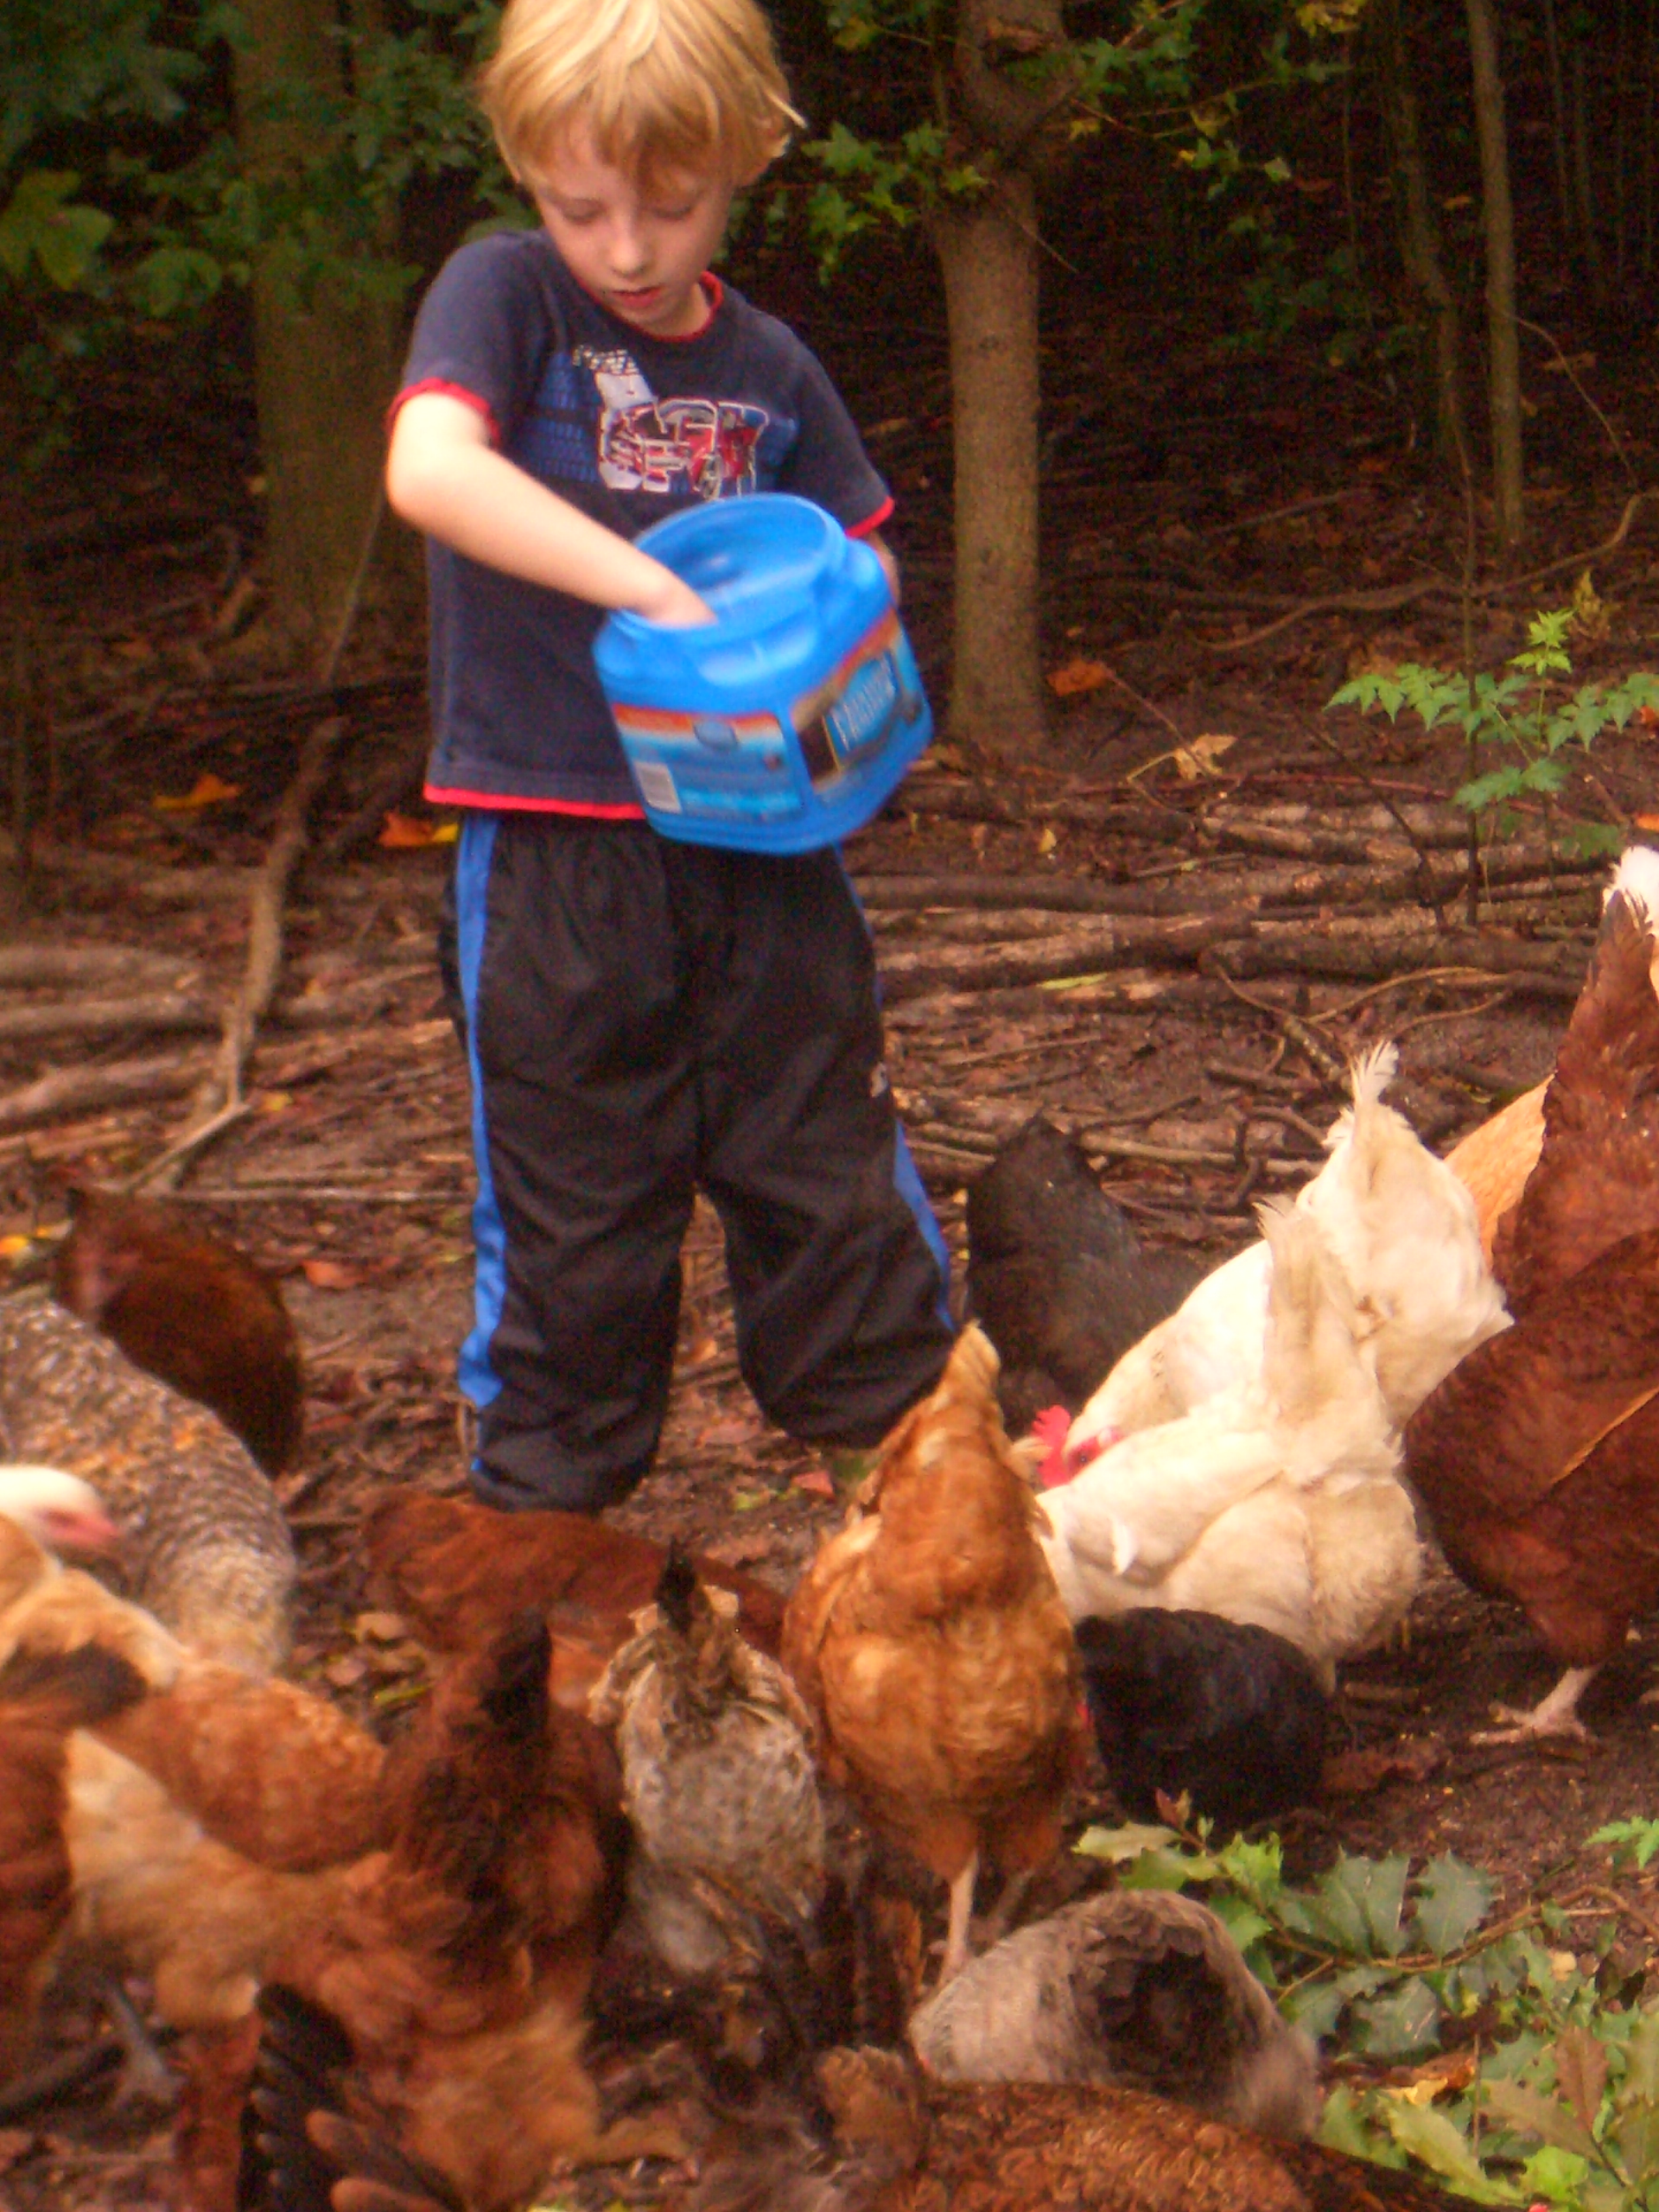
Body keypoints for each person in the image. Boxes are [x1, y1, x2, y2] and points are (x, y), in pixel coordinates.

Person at [385, 0, 954, 1514]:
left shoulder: (768, 367)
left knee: (828, 1168)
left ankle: (909, 1503)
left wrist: (856, 665)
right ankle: (545, 1565)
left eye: (672, 203)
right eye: (583, 205)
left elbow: (865, 562)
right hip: (559, 849)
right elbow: (428, 469)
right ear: (524, 168)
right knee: (577, 1215)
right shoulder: (507, 296)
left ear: (749, 157)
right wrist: (648, 586)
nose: (626, 248)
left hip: (763, 852)